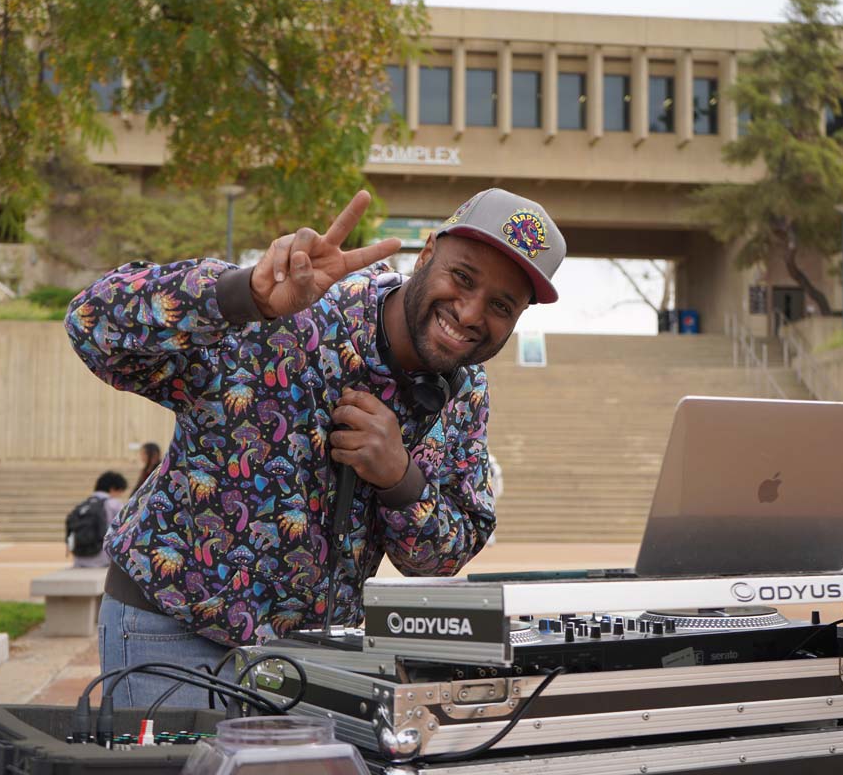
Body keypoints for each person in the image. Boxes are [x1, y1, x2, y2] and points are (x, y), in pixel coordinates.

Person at [65, 187, 565, 707]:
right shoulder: (295, 303)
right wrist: (243, 297)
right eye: (462, 278)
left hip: (310, 661)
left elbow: (443, 557)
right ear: (427, 252)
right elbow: (91, 325)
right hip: (173, 627)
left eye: (501, 305)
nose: (469, 312)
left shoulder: (466, 392)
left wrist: (401, 480)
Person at [69, 471, 128, 568]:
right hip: (102, 560)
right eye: (120, 492)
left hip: (79, 559)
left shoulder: (83, 505)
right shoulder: (114, 504)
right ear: (113, 489)